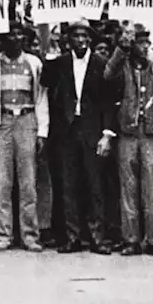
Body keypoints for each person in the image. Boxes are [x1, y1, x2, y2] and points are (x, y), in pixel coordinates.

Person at [0, 25, 48, 252]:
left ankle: (29, 235)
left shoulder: (34, 63)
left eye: (18, 35)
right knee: (2, 182)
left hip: (27, 120)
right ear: (2, 40)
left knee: (28, 182)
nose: (15, 39)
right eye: (10, 35)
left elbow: (41, 98)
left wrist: (42, 130)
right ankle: (3, 234)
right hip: (2, 122)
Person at [100, 24, 153, 257]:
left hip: (149, 134)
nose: (145, 47)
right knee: (128, 188)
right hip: (127, 133)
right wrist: (122, 48)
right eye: (140, 43)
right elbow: (107, 75)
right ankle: (130, 239)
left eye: (147, 43)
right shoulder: (123, 67)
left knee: (151, 189)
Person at [42, 19, 111, 254]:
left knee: (94, 185)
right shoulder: (60, 63)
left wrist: (106, 134)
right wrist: (50, 55)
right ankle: (71, 236)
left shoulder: (101, 64)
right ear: (68, 40)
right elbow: (45, 83)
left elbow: (107, 102)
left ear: (90, 39)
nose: (80, 41)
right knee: (68, 184)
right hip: (67, 130)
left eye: (84, 37)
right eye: (75, 37)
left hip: (92, 129)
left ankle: (96, 237)